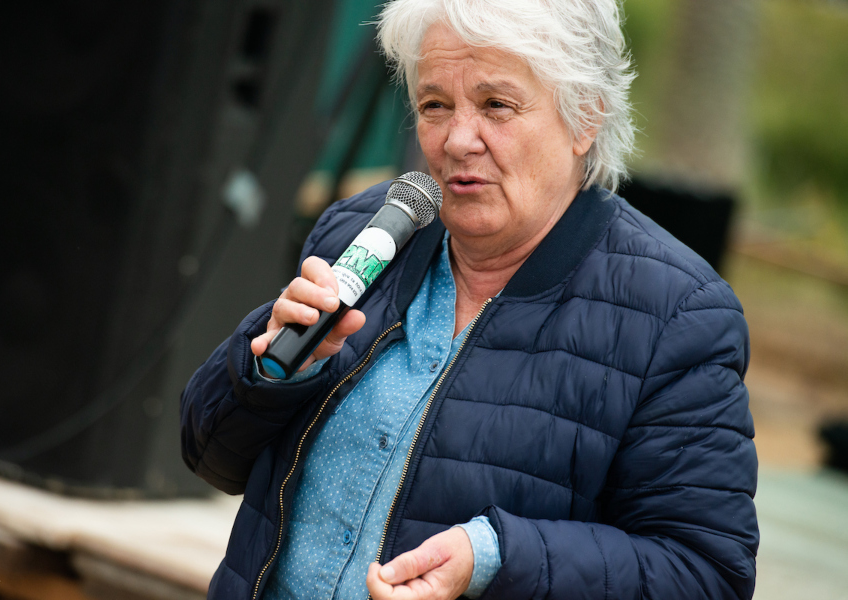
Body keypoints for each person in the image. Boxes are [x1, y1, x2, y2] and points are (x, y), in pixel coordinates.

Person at [180, 0, 759, 598]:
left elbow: (705, 573)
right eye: (435, 105)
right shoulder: (363, 231)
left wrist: (495, 558)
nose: (458, 139)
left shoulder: (677, 314)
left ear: (585, 116)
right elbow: (211, 456)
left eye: (496, 105)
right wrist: (269, 368)